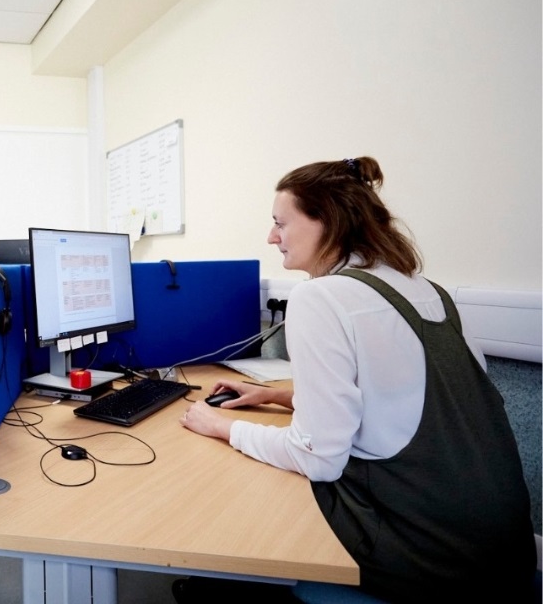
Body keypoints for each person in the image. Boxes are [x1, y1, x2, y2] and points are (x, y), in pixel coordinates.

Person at [180, 157, 535, 601]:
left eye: (280, 223)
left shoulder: (320, 296)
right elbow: (396, 394)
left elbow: (318, 457)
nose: (272, 237)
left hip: (430, 556)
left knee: (245, 520)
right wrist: (279, 395)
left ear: (325, 221)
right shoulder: (425, 289)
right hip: (503, 553)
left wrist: (220, 426)